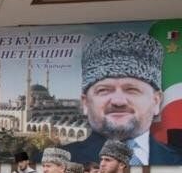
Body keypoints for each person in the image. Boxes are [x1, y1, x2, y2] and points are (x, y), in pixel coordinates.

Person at [64, 31, 181, 165]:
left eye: (131, 90)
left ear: (156, 101)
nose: (118, 101)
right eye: (104, 90)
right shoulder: (60, 162)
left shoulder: (178, 160)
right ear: (85, 103)